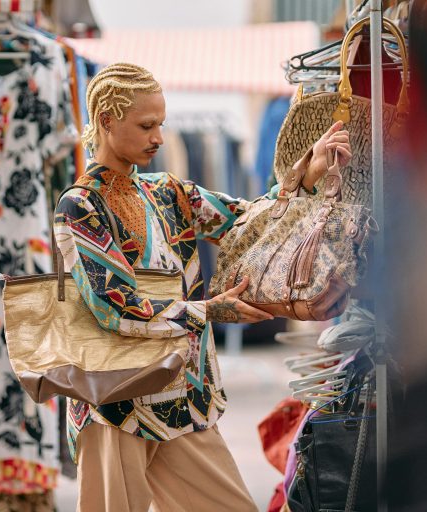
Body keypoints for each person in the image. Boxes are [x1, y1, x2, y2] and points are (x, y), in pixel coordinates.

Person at [53, 63, 352, 512]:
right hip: (114, 403)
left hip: (182, 394)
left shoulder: (169, 191)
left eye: (161, 124)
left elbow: (247, 223)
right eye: (146, 125)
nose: (158, 137)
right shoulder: (79, 205)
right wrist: (209, 311)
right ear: (106, 121)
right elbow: (114, 307)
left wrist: (306, 175)